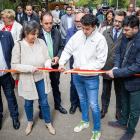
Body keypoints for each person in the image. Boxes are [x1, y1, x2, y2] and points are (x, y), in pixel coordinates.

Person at [59, 14, 108, 140]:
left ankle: (97, 129)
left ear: (94, 27)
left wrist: (83, 68)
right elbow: (67, 49)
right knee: (82, 100)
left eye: (87, 29)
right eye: (83, 28)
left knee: (93, 104)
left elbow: (100, 62)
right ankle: (85, 121)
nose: (84, 31)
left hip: (91, 77)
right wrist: (61, 62)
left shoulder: (100, 39)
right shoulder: (78, 35)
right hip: (77, 76)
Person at [11, 20, 55, 135]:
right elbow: (14, 65)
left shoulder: (41, 42)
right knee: (28, 103)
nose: (35, 37)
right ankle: (29, 122)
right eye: (33, 34)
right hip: (27, 80)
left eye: (37, 34)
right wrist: (30, 68)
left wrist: (47, 64)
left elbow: (47, 58)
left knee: (44, 102)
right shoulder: (18, 45)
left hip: (41, 78)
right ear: (25, 32)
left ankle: (48, 122)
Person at [107, 15, 140, 140]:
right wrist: (116, 67)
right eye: (123, 29)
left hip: (136, 82)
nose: (124, 32)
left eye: (126, 30)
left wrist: (117, 73)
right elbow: (119, 52)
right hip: (125, 78)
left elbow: (137, 66)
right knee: (124, 102)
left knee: (135, 109)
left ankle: (130, 131)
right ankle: (122, 122)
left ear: (136, 28)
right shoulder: (126, 36)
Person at [38, 12, 67, 115]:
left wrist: (58, 56)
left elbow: (61, 47)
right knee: (42, 89)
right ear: (41, 22)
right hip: (42, 68)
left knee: (56, 86)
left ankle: (58, 105)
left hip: (54, 67)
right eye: (46, 23)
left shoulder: (57, 33)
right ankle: (42, 108)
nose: (49, 26)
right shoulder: (36, 35)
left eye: (51, 23)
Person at [101, 11, 126, 120]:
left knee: (119, 91)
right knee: (105, 90)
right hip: (106, 66)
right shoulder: (106, 32)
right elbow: (101, 50)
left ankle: (118, 110)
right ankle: (104, 108)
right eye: (115, 21)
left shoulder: (126, 33)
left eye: (120, 22)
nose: (116, 23)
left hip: (119, 68)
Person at [0, 31, 20, 130]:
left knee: (10, 97)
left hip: (6, 75)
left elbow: (14, 53)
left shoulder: (7, 35)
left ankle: (15, 117)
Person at [66, 13, 85, 114]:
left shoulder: (88, 30)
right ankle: (73, 104)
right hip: (74, 64)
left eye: (80, 21)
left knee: (83, 85)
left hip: (85, 64)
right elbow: (70, 47)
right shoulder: (70, 31)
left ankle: (82, 104)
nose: (78, 23)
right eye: (76, 21)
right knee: (73, 84)